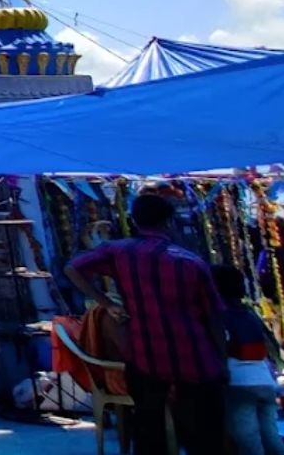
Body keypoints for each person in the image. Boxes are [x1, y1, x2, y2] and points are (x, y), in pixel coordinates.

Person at [68, 192, 227, 455]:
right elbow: (213, 316)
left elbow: (73, 268)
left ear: (134, 220)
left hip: (146, 356)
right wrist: (221, 360)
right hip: (194, 355)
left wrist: (105, 302)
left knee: (149, 430)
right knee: (204, 433)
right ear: (169, 221)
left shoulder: (119, 251)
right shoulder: (191, 262)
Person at [214, 265, 284, 455]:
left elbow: (219, 350)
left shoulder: (219, 317)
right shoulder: (251, 315)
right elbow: (273, 349)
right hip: (264, 381)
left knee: (249, 440)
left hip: (238, 383)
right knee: (271, 436)